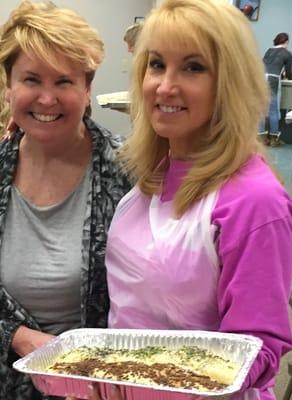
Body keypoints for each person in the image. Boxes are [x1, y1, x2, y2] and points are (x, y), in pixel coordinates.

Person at [87, 1, 292, 400]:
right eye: (156, 64)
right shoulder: (153, 174)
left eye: (193, 67)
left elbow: (257, 352)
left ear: (229, 82)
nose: (165, 86)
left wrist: (142, 384)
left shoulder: (253, 203)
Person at [0, 1, 130, 399]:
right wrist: (18, 337)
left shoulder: (131, 172)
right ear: (9, 86)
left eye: (64, 81)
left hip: (104, 386)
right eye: (31, 80)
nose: (46, 98)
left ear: (87, 87)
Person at [259, 32, 292, 147]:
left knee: (261, 109)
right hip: (272, 80)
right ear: (286, 42)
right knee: (273, 110)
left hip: (260, 78)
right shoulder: (287, 54)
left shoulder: (269, 51)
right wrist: (291, 76)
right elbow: (289, 74)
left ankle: (261, 138)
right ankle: (274, 139)